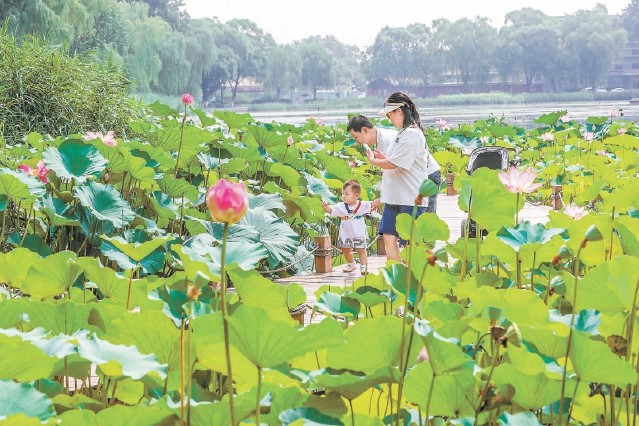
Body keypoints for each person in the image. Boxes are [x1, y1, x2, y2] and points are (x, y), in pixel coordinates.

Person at [347, 92, 441, 262]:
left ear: (399, 111)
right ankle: (397, 273)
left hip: (412, 193)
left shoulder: (412, 134)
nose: (389, 119)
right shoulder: (401, 133)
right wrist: (383, 159)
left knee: (415, 242)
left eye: (390, 114)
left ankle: (432, 270)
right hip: (395, 195)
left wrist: (374, 161)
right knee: (389, 237)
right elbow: (393, 160)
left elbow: (395, 163)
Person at [322, 180, 381, 274]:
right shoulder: (340, 206)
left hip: (358, 231)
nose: (344, 196)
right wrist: (326, 207)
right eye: (343, 193)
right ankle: (351, 264)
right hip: (345, 232)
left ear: (356, 195)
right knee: (345, 249)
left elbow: (373, 203)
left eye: (347, 194)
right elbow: (331, 211)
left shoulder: (362, 205)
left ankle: (363, 266)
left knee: (361, 249)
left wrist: (384, 199)